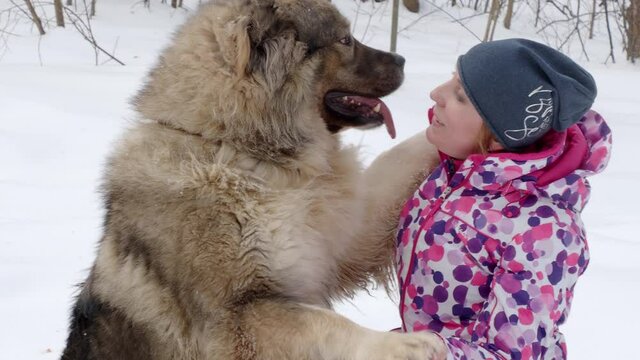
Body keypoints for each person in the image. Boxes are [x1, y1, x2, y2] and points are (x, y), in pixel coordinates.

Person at [395, 38, 612, 359]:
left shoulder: (543, 233)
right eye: (451, 78)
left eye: (460, 96)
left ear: (498, 135)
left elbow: (509, 353)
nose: (436, 94)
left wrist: (401, 352)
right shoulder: (453, 174)